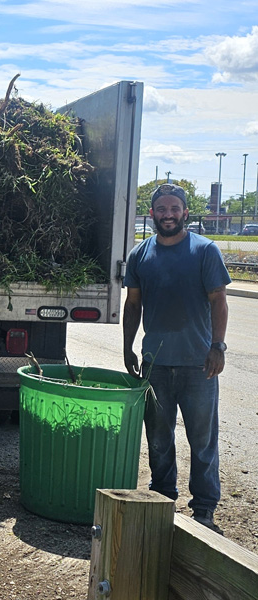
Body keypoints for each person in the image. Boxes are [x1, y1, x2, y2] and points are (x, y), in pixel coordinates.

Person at [123, 182, 230, 531]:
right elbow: (133, 303)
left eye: (174, 209)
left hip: (198, 366)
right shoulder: (140, 255)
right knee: (158, 439)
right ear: (152, 213)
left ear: (185, 212)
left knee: (202, 441)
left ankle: (204, 509)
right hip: (155, 365)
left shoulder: (205, 251)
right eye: (161, 209)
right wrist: (128, 347)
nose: (168, 215)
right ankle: (163, 498)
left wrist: (218, 346)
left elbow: (219, 300)